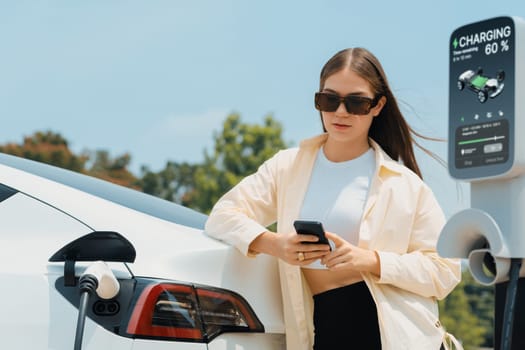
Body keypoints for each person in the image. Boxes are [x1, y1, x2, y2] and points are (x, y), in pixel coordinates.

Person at [204, 47, 461, 350]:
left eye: (356, 103)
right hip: (321, 328)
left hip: (394, 333)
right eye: (329, 100)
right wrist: (275, 244)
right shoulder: (287, 166)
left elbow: (445, 271)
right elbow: (223, 215)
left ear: (377, 106)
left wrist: (371, 260)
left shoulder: (404, 184)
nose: (340, 112)